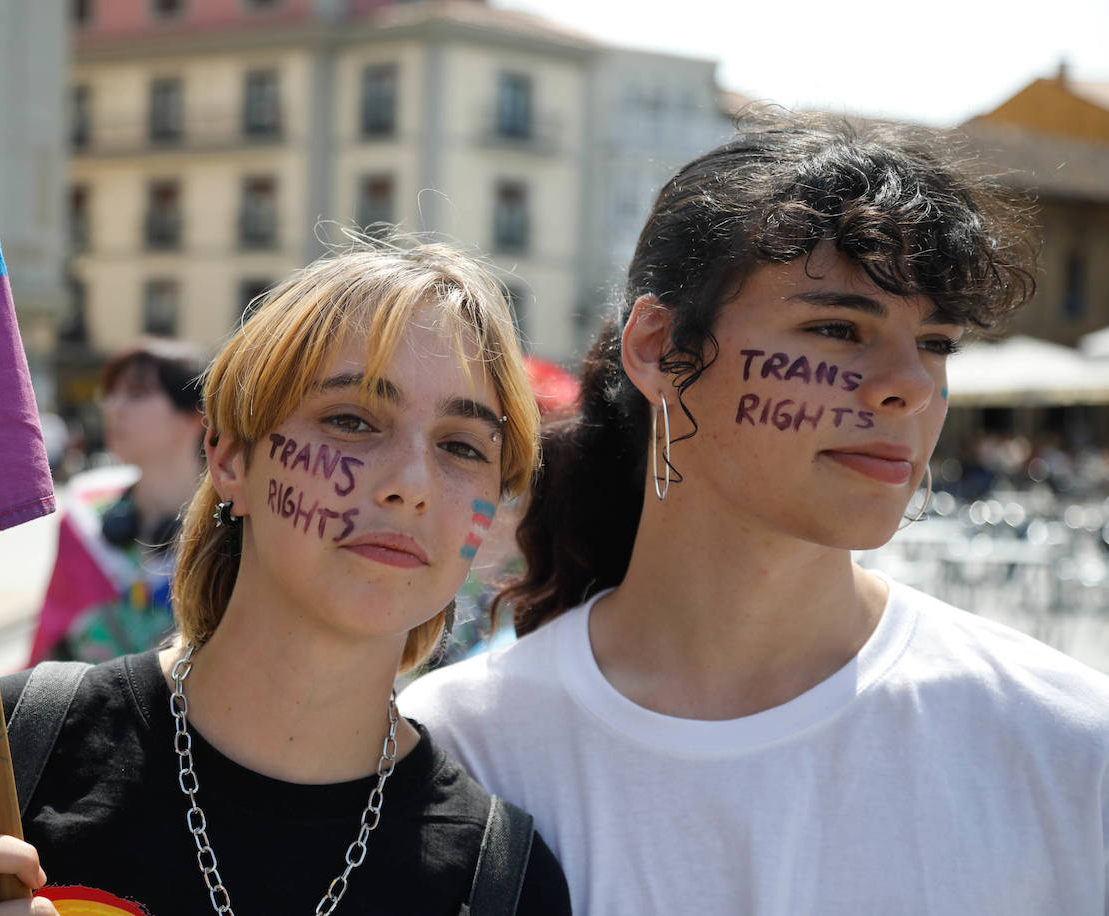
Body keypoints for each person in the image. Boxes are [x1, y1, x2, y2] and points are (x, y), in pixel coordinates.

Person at [401, 114, 1109, 914]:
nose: (909, 385)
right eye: (838, 329)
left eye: (938, 342)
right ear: (658, 348)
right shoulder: (460, 749)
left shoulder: (1068, 745)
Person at [0, 243, 570, 915]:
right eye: (351, 420)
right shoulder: (6, 751)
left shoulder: (499, 881)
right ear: (230, 461)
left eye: (461, 445)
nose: (411, 483)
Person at [27, 339, 207, 665]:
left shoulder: (236, 529)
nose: (113, 407)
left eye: (137, 394)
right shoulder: (84, 521)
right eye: (112, 393)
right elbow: (47, 650)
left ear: (195, 416)